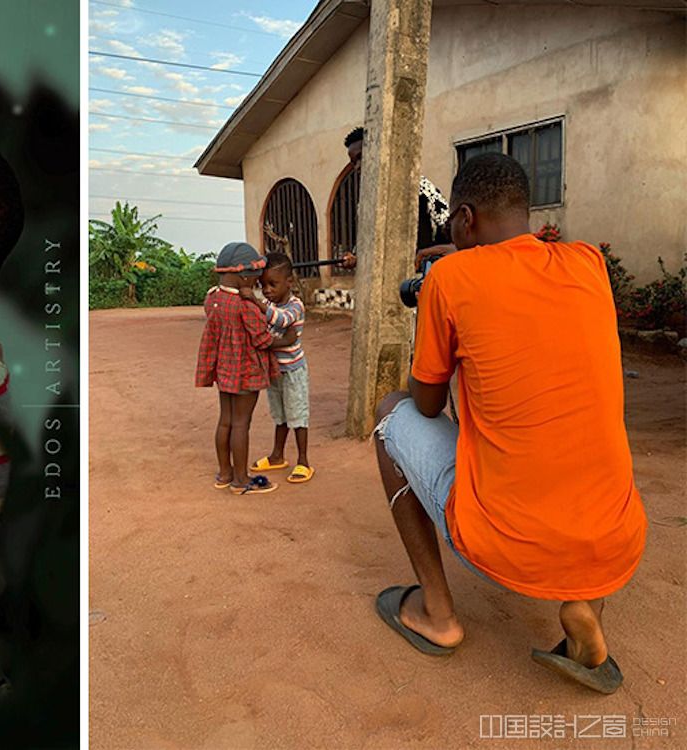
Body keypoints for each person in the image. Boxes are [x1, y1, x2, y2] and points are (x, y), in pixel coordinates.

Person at [370, 153, 647, 695]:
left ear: (465, 219)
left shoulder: (450, 277)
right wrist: (468, 263)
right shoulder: (588, 263)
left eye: (453, 220)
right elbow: (517, 277)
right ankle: (585, 606)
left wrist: (444, 284)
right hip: (613, 538)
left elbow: (427, 404)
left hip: (504, 539)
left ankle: (437, 614)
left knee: (389, 414)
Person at [194, 242, 279, 495]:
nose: (259, 279)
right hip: (247, 373)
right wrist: (282, 338)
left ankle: (225, 473)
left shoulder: (212, 299)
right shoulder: (246, 306)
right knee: (242, 423)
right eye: (256, 274)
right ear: (244, 276)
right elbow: (262, 339)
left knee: (226, 421)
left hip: (224, 373)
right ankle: (241, 480)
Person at [337, 127, 455, 271]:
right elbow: (366, 247)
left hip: (422, 279)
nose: (357, 167)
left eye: (361, 157)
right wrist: (354, 259)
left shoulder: (420, 187)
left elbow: (449, 232)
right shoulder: (365, 203)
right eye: (353, 162)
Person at [241, 253, 312, 483]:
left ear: (289, 282)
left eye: (273, 284)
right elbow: (270, 329)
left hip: (293, 372)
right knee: (280, 416)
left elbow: (281, 320)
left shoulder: (295, 306)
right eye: (263, 286)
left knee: (297, 416)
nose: (267, 290)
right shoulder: (269, 304)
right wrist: (279, 340)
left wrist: (255, 302)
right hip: (274, 371)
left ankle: (303, 461)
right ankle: (277, 455)